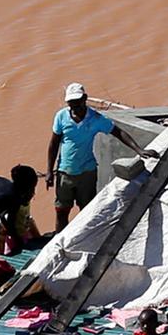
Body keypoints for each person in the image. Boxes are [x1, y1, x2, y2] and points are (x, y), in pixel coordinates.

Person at [46, 83, 115, 228]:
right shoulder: (61, 116)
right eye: (71, 104)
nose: (74, 107)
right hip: (65, 172)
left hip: (87, 173)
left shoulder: (96, 118)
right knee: (61, 211)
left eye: (77, 103)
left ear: (85, 98)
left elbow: (117, 131)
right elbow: (53, 145)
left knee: (87, 211)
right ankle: (59, 242)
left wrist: (140, 150)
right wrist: (49, 172)